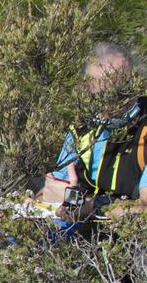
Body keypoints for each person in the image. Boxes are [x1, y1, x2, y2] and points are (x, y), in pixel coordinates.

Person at [39, 44, 146, 220]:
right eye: (98, 96)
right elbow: (52, 191)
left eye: (118, 94)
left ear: (135, 86)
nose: (108, 105)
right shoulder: (83, 129)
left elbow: (144, 208)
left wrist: (91, 206)